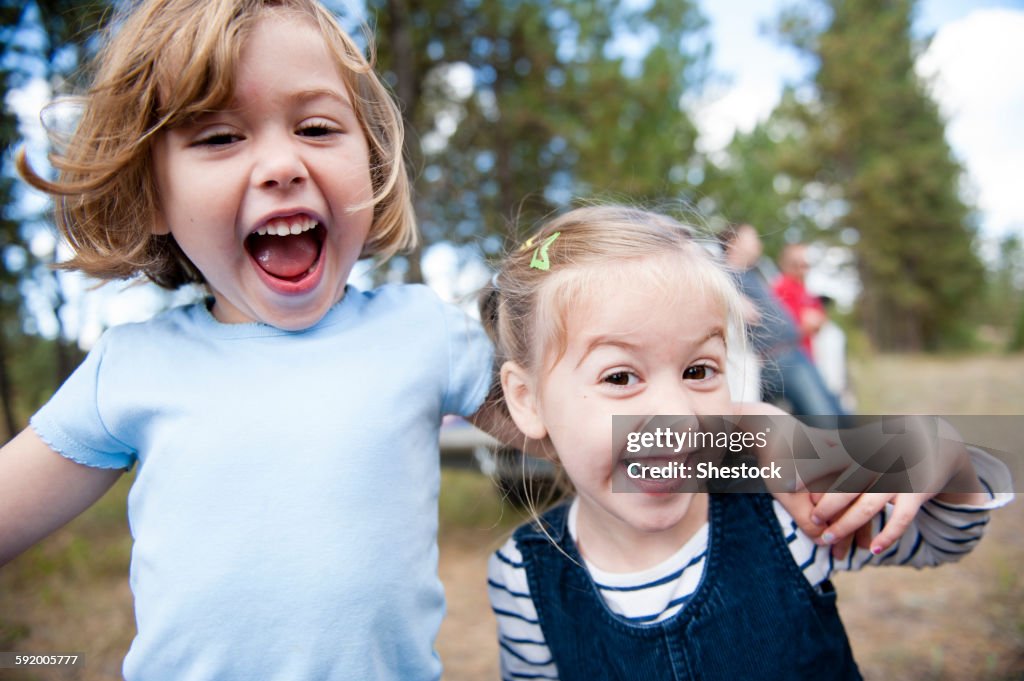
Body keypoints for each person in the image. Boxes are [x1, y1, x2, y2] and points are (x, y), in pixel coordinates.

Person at [0, 1, 499, 678]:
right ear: (152, 194)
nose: (280, 165)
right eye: (218, 138)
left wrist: (697, 453)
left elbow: (587, 430)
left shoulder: (421, 332)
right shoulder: (133, 368)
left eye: (317, 127)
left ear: (373, 164)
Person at [482, 206, 1011, 680]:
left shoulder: (785, 512)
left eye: (698, 369)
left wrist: (942, 454)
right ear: (527, 399)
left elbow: (949, 538)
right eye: (619, 377)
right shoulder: (523, 581)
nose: (678, 415)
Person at [720, 223, 846, 416]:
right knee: (825, 416)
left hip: (793, 351)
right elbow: (699, 274)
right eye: (752, 237)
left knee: (834, 408)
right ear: (733, 243)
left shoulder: (754, 273)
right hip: (778, 357)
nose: (758, 243)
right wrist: (732, 298)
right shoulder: (723, 276)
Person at [774, 242, 827, 357]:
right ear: (785, 263)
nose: (802, 266)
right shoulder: (781, 286)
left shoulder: (805, 289)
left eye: (805, 263)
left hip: (805, 353)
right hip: (789, 354)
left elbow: (820, 318)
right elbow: (786, 327)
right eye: (796, 262)